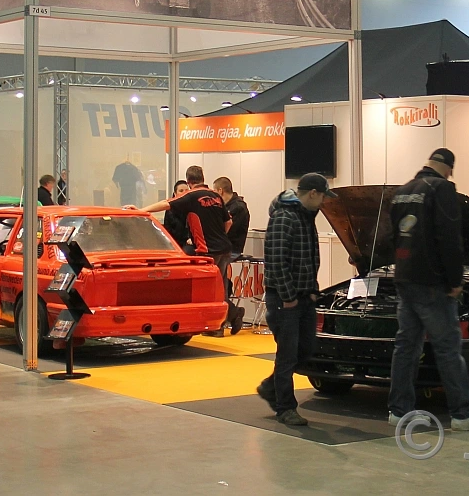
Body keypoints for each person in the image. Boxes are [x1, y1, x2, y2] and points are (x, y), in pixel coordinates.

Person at [387, 148, 469, 431]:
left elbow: (393, 237)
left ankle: (399, 411)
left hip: (405, 279)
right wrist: (455, 280)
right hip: (432, 283)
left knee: (406, 347)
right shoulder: (442, 189)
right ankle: (463, 414)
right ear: (449, 169)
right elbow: (449, 238)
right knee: (448, 348)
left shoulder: (402, 192)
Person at [256, 173, 335, 426]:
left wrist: (312, 289)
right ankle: (285, 408)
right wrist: (289, 297)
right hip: (285, 300)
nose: (324, 202)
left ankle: (271, 388)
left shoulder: (306, 217)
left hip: (303, 296)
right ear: (312, 193)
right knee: (288, 355)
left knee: (305, 350)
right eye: (323, 196)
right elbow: (276, 260)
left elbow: (311, 256)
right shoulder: (284, 217)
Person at [133, 166, 244, 335]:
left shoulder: (191, 196)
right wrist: (220, 236)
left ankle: (229, 318)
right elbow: (228, 222)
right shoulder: (216, 196)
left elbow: (165, 204)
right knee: (218, 289)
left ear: (189, 181)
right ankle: (222, 324)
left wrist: (140, 210)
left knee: (208, 291)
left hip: (207, 251)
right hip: (224, 248)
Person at [213, 177, 249, 258]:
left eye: (215, 191)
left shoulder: (238, 207)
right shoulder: (225, 206)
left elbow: (228, 230)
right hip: (223, 248)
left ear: (220, 191)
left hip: (231, 250)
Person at [163, 180, 190, 249]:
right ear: (175, 194)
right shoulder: (169, 209)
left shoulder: (193, 208)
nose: (184, 193)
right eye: (181, 191)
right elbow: (167, 231)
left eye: (186, 190)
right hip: (174, 244)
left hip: (189, 244)